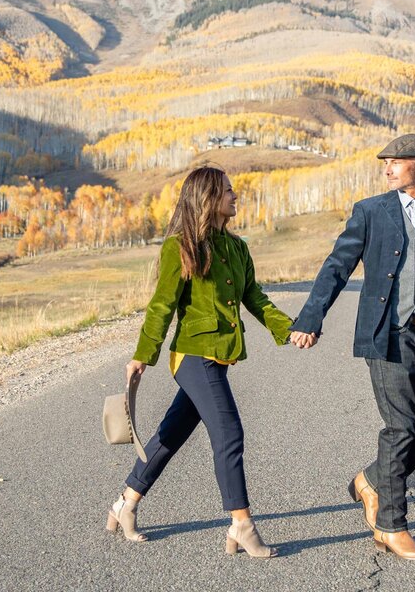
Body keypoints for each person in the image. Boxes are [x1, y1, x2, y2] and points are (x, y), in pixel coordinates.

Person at [289, 133, 415, 561]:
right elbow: (337, 267)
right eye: (386, 163)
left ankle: (372, 479)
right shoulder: (371, 212)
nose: (387, 169)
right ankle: (391, 526)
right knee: (400, 429)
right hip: (387, 336)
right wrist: (310, 319)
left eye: (395, 162)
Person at [107, 166, 296, 557]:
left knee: (170, 435)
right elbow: (162, 305)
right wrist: (143, 355)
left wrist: (288, 329)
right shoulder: (180, 246)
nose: (235, 196)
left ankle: (125, 503)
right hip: (192, 355)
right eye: (228, 191)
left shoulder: (237, 248)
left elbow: (255, 298)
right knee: (229, 432)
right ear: (208, 198)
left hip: (220, 356)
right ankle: (241, 525)